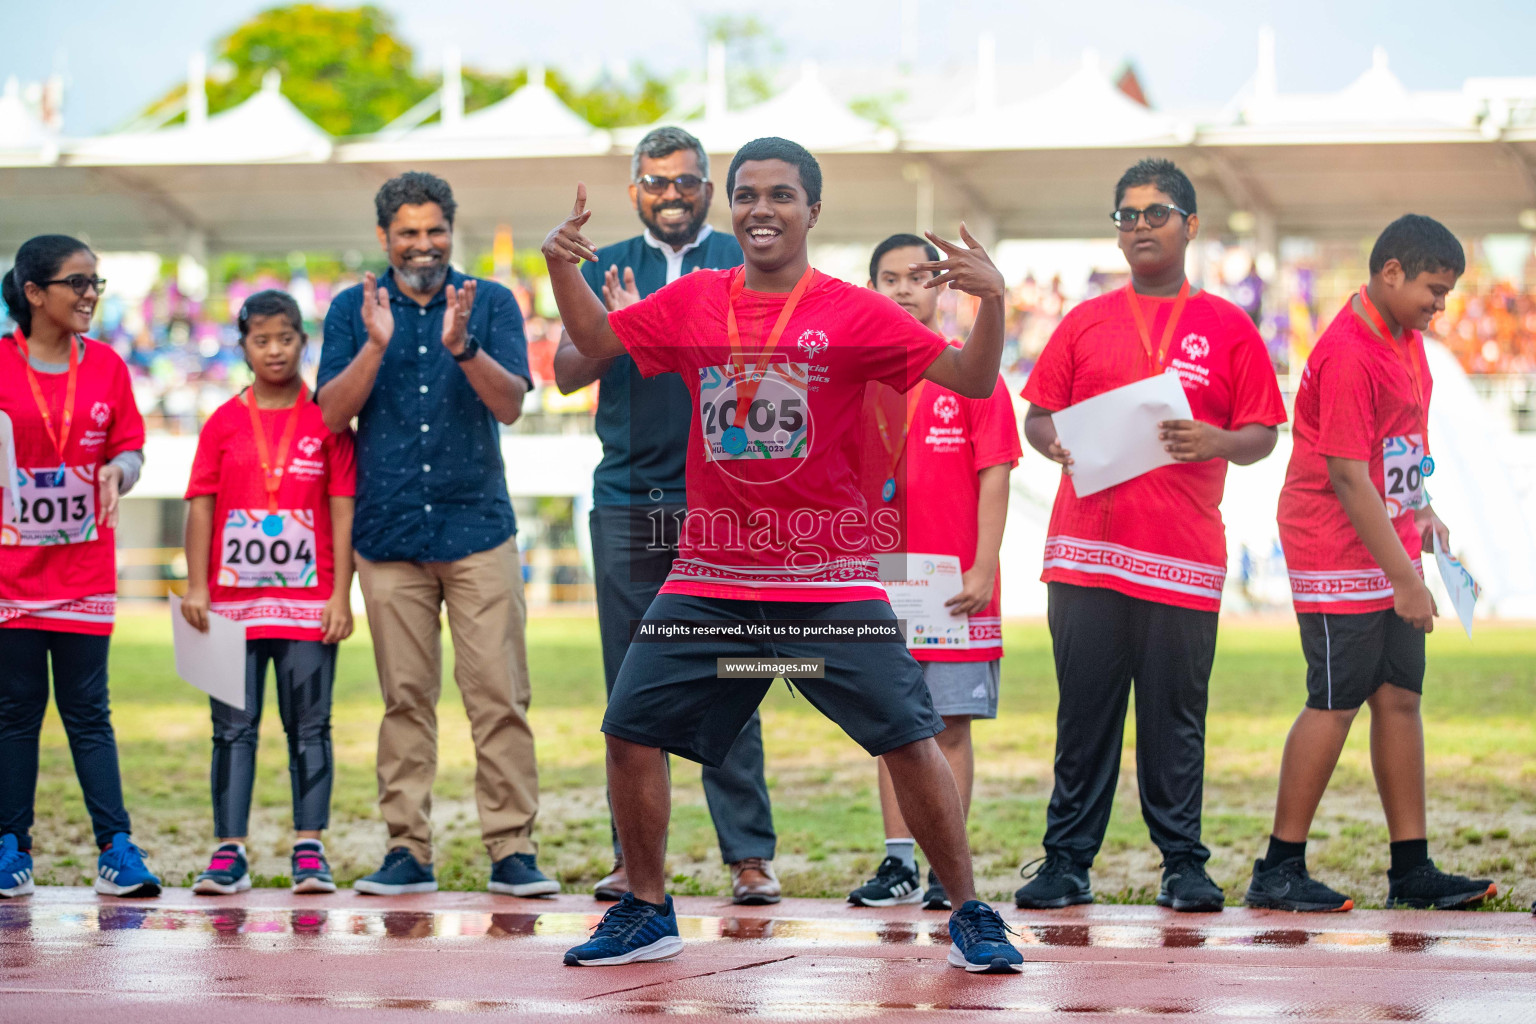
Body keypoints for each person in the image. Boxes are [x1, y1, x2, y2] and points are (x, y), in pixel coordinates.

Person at [545, 136, 1024, 973]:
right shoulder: (696, 298)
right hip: (712, 575)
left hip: (825, 575)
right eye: (748, 194)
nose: (761, 208)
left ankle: (971, 910)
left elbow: (973, 381)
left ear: (812, 210)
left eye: (780, 195)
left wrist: (993, 306)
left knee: (909, 736)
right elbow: (593, 344)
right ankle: (648, 909)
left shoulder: (853, 310)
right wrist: (561, 270)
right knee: (629, 729)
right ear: (732, 207)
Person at [1017, 159, 1286, 913]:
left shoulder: (1228, 327)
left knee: (1176, 719)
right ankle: (1066, 863)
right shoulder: (1084, 319)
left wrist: (1215, 441)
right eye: (1126, 215)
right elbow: (1037, 414)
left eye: (1155, 212)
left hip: (1181, 557)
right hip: (1085, 555)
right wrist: (1054, 442)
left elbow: (1264, 431)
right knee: (1085, 717)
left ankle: (1183, 865)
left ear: (1191, 225)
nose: (1138, 226)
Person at [555, 127, 781, 905]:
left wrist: (663, 323)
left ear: (709, 188)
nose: (673, 193)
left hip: (725, 504)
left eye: (687, 180)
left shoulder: (745, 260)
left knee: (733, 675)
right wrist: (621, 328)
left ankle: (749, 856)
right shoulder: (606, 260)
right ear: (634, 192)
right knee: (630, 690)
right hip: (626, 500)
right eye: (657, 182)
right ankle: (632, 861)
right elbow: (561, 372)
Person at [1248, 214, 1496, 912]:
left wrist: (1423, 510)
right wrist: (1405, 579)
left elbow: (1399, 451)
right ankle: (1279, 868)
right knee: (1336, 699)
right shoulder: (1350, 351)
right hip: (1332, 543)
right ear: (1391, 272)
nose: (1440, 305)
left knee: (1399, 696)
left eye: (1447, 293)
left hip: (1384, 535)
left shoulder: (1408, 341)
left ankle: (1410, 867)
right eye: (1433, 289)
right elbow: (1350, 476)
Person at [318, 171, 557, 897]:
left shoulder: (489, 302)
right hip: (388, 535)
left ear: (452, 230)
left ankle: (512, 848)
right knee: (404, 701)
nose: (423, 245)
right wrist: (375, 344)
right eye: (409, 233)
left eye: (434, 231)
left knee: (499, 696)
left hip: (478, 528)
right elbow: (330, 413)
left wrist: (462, 347)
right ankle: (407, 849)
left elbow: (512, 404)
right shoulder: (350, 309)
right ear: (385, 237)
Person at [847, 234, 1020, 912]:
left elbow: (996, 472)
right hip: (878, 579)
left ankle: (948, 868)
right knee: (894, 725)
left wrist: (983, 565)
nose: (901, 289)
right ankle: (897, 864)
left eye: (918, 276)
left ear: (942, 288)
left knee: (950, 726)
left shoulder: (972, 370)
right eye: (887, 277)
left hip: (954, 586)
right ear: (870, 289)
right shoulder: (857, 378)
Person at [181, 290, 356, 895]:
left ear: (303, 341)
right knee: (231, 728)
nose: (274, 350)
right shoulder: (223, 421)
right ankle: (228, 851)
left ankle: (310, 847)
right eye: (261, 339)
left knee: (311, 727)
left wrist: (340, 596)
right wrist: (197, 585)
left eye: (285, 337)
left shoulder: (327, 421)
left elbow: (342, 511)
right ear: (244, 346)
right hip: (230, 608)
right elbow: (201, 506)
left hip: (308, 609)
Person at [0, 234, 159, 898]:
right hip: (9, 576)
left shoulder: (109, 368)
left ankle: (116, 849)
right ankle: (11, 847)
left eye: (97, 283)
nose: (91, 295)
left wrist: (121, 471)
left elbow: (131, 447)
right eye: (78, 283)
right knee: (14, 710)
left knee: (89, 711)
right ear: (35, 293)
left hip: (83, 574)